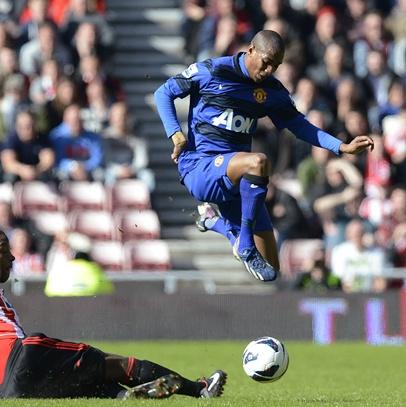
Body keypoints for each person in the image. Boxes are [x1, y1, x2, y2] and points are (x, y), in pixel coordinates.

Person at [0, 228, 226, 400]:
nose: (10, 258)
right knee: (112, 363)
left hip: (9, 390)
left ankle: (120, 396)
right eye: (3, 251)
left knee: (93, 386)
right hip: (23, 356)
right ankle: (199, 390)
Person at [154, 30, 374, 282]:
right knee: (258, 161)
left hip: (236, 179)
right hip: (200, 168)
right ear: (250, 51)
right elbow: (163, 93)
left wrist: (341, 147)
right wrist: (176, 134)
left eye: (276, 65)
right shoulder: (213, 72)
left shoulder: (271, 91)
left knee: (270, 268)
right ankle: (244, 243)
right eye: (266, 62)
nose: (269, 70)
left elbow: (300, 125)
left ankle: (217, 224)